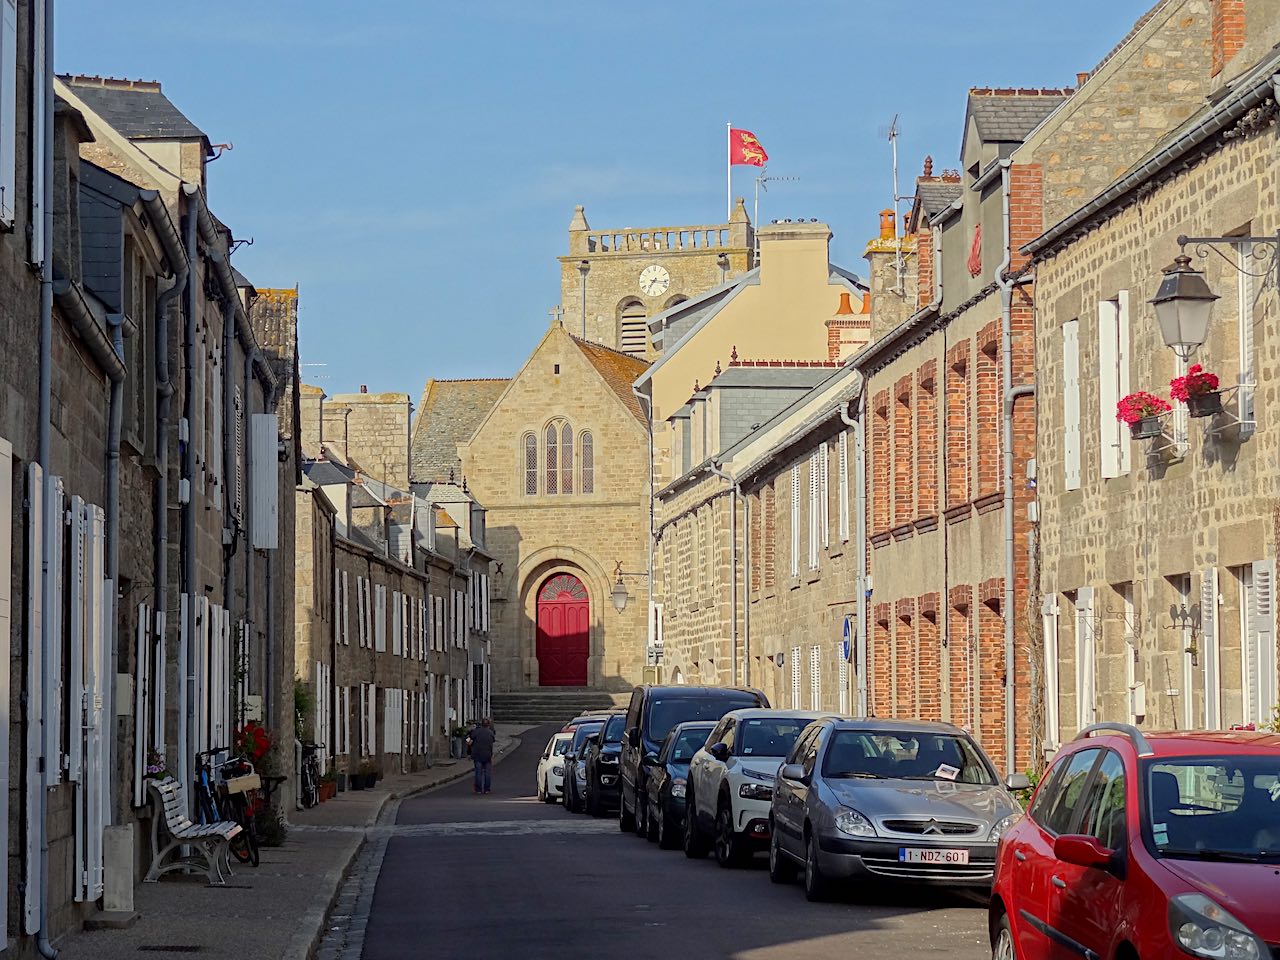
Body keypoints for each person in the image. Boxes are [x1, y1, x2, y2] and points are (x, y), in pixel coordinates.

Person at [467, 718, 496, 794]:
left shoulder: (476, 732)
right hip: (487, 755)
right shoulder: (491, 733)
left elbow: (469, 742)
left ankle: (478, 789)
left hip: (477, 754)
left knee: (478, 772)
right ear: (488, 725)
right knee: (487, 773)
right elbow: (492, 741)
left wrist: (468, 742)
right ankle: (487, 789)